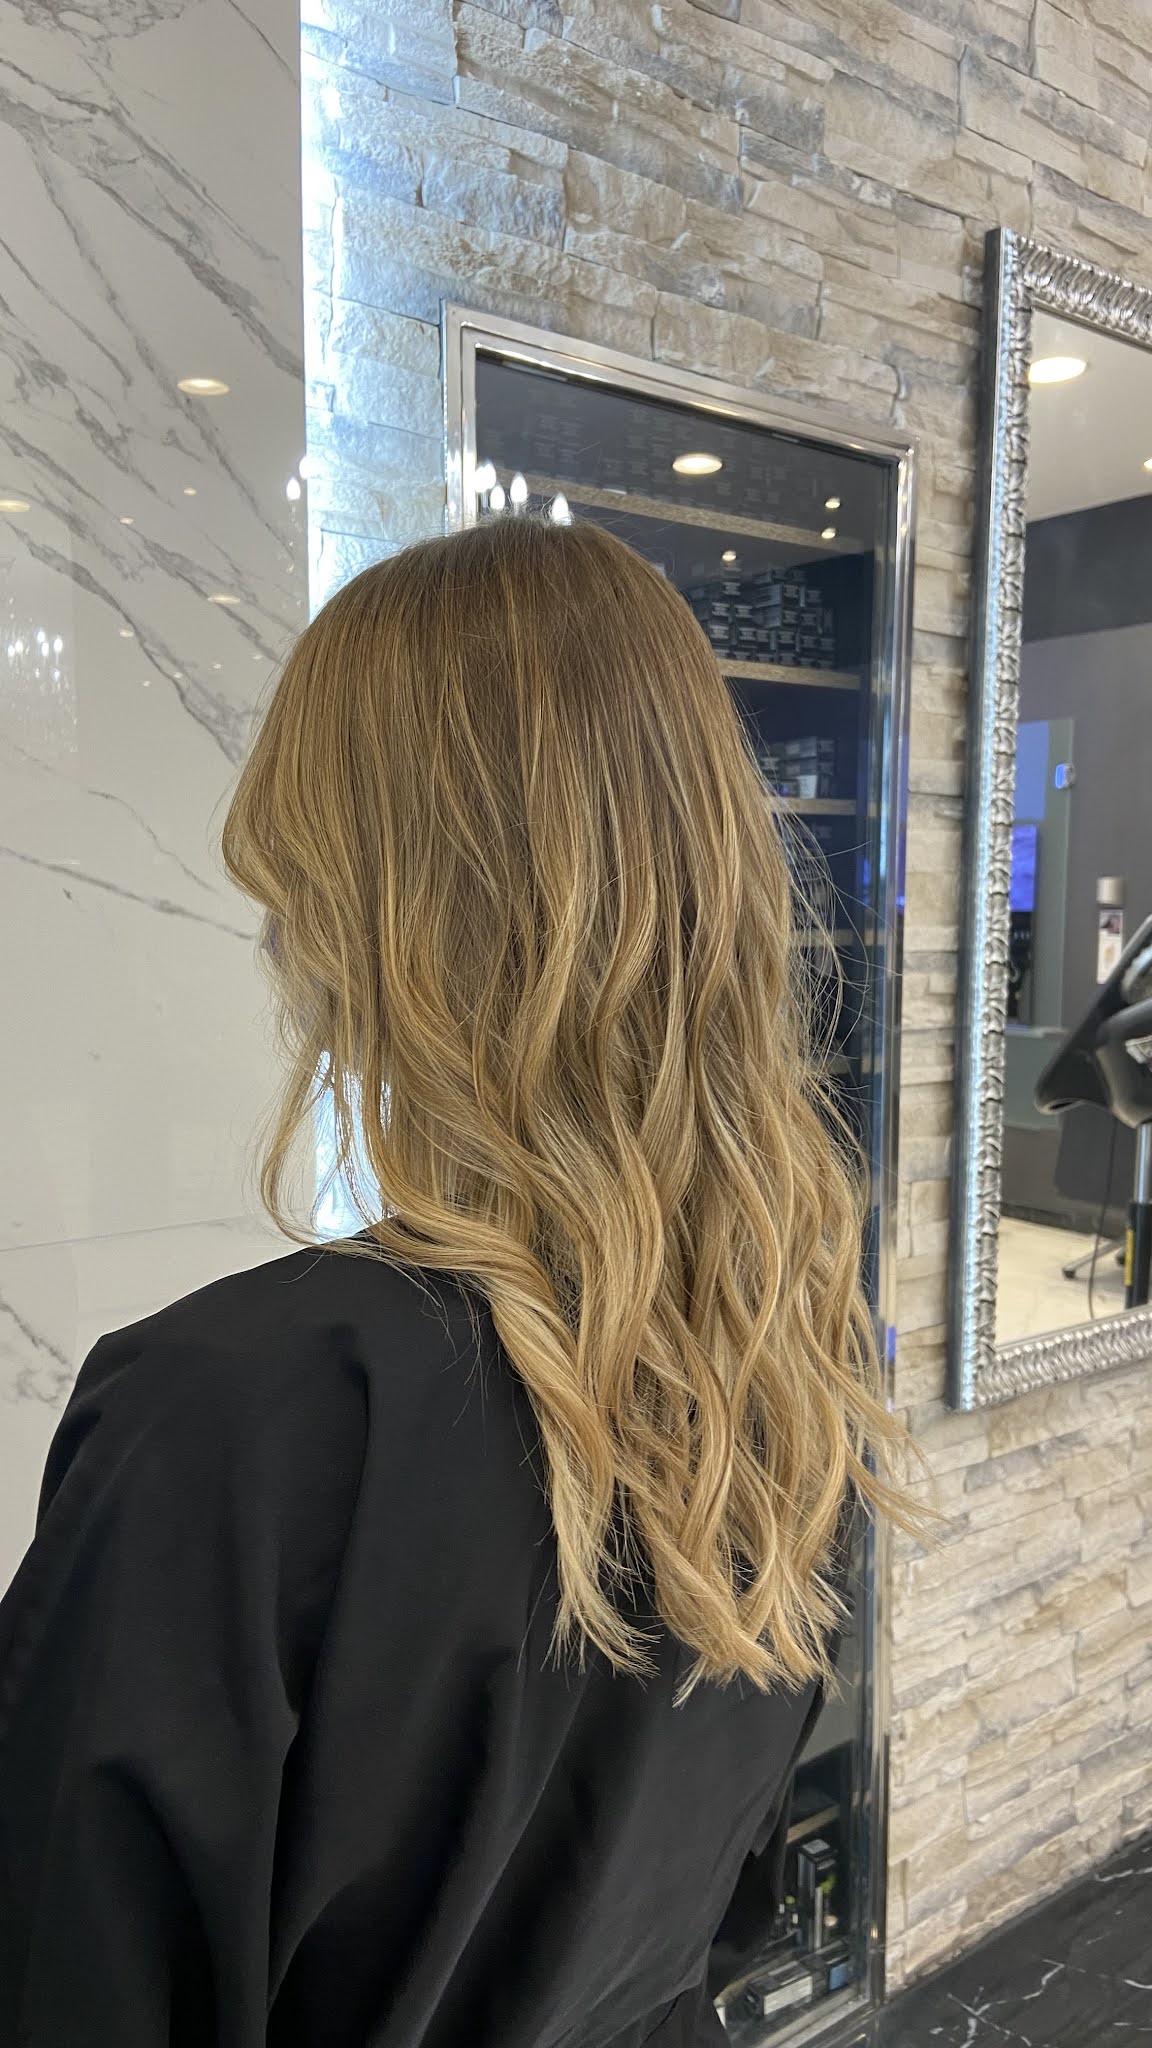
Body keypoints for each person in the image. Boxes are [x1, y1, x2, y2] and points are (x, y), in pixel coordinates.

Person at [0, 516, 933, 2047]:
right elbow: (725, 1904)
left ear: (391, 917)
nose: (278, 945)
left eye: (301, 882)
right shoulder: (786, 1345)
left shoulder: (231, 1415)